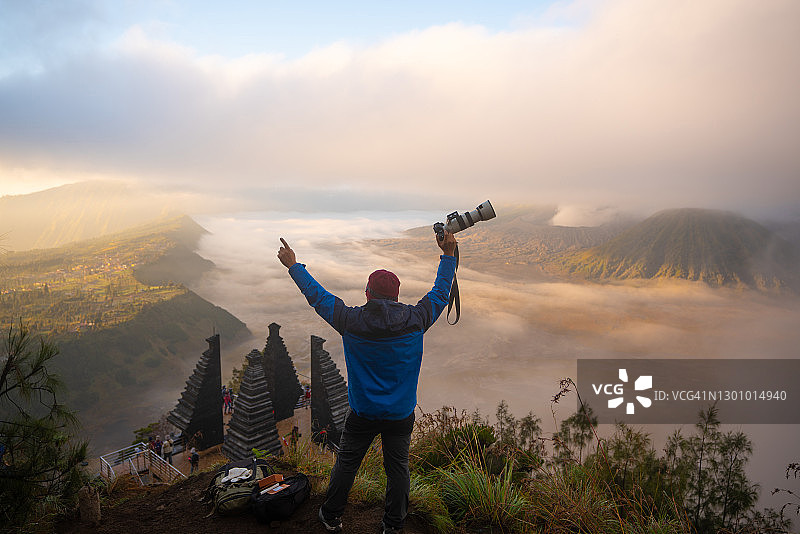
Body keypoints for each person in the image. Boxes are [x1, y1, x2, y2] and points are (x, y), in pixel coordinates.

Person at [278, 231, 457, 534]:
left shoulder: (350, 321)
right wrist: (449, 255)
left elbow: (317, 297)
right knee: (398, 468)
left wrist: (294, 266)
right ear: (397, 296)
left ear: (367, 294)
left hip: (362, 412)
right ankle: (394, 524)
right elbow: (441, 293)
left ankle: (332, 515)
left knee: (347, 463)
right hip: (401, 413)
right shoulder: (417, 320)